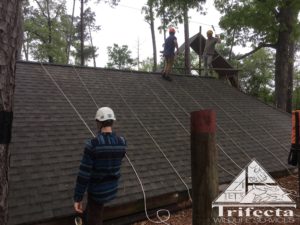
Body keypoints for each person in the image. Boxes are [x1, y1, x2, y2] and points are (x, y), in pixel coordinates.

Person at [73, 107, 127, 225]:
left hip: (97, 192)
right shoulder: (122, 142)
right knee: (92, 210)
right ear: (112, 121)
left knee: (95, 218)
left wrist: (78, 198)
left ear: (98, 122)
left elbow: (84, 174)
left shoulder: (93, 145)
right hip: (111, 189)